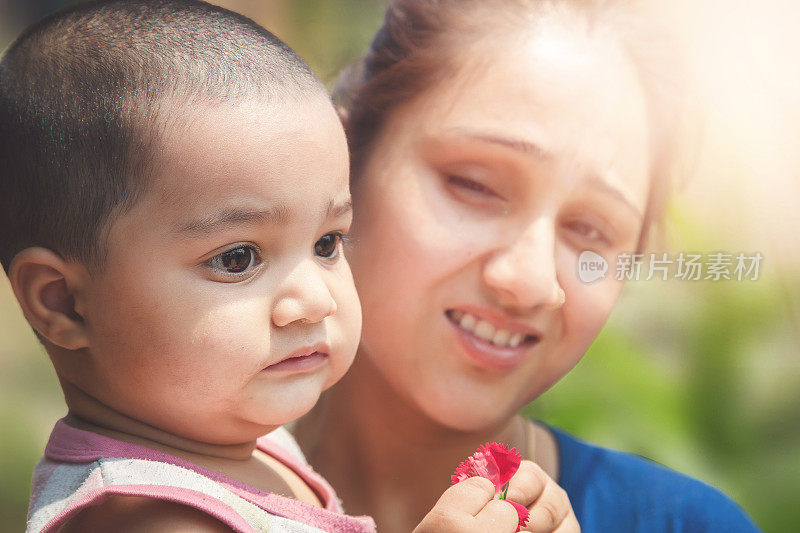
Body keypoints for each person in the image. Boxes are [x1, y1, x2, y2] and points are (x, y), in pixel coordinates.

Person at [0, 1, 549, 532]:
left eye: (328, 242)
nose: (316, 299)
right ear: (63, 302)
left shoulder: (249, 440)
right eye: (238, 258)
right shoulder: (149, 517)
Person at [293, 0, 762, 532]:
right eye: (475, 185)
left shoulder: (687, 524)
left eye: (591, 231)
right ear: (342, 161)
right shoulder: (184, 494)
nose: (530, 282)